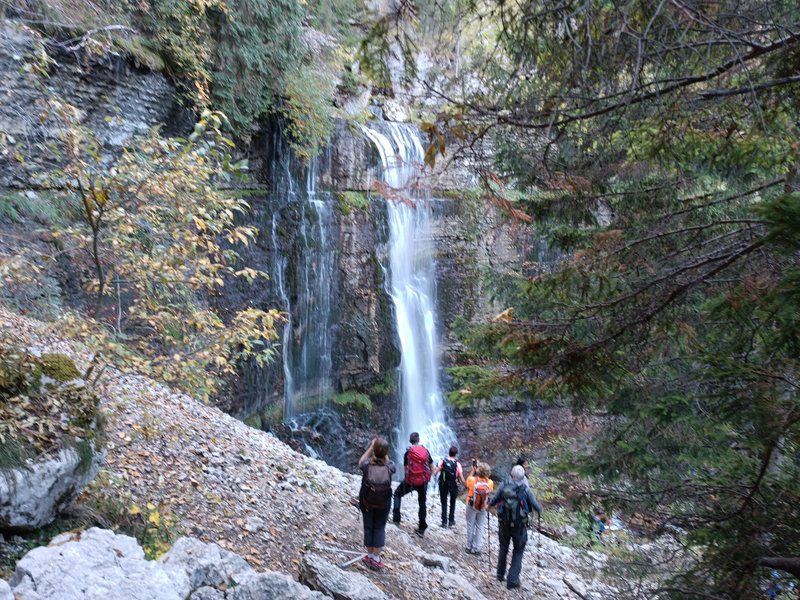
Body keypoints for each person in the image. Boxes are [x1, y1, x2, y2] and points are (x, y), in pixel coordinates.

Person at [489, 464, 543, 590]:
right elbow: (536, 506)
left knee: (503, 548)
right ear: (523, 477)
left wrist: (488, 506)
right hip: (519, 526)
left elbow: (494, 500)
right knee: (518, 551)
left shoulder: (503, 485)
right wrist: (540, 509)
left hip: (504, 523)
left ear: (511, 475)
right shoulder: (525, 489)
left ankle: (500, 575)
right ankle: (512, 581)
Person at [358, 436, 396, 571]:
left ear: (374, 450)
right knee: (379, 528)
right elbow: (390, 462)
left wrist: (370, 448)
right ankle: (375, 558)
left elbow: (360, 461)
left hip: (367, 502)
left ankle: (369, 555)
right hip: (383, 504)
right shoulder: (390, 467)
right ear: (386, 453)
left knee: (368, 527)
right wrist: (384, 453)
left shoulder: (367, 465)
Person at [392, 432, 433, 536]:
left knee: (397, 494)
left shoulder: (408, 452)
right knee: (422, 503)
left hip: (411, 481)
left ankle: (396, 520)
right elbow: (431, 466)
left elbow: (406, 469)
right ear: (419, 440)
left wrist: (410, 477)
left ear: (410, 441)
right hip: (423, 481)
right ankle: (422, 527)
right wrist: (427, 477)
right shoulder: (426, 451)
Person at [464, 461, 494, 557]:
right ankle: (477, 549)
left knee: (470, 525)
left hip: (471, 505)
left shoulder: (472, 480)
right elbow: (490, 489)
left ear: (477, 471)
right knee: (480, 527)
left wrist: (473, 471)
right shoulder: (490, 483)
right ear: (488, 474)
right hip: (483, 507)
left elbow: (466, 482)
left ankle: (469, 547)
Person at [433, 445, 465, 528]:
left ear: (449, 453)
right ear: (456, 454)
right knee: (453, 502)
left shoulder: (442, 462)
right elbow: (461, 478)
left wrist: (436, 468)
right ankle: (451, 521)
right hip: (454, 485)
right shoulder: (457, 464)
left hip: (443, 484)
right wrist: (467, 484)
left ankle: (444, 522)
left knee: (444, 502)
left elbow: (435, 473)